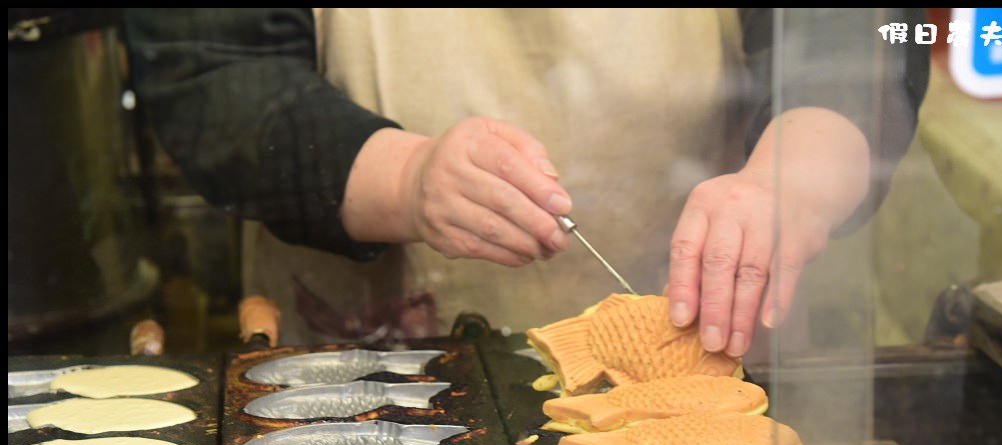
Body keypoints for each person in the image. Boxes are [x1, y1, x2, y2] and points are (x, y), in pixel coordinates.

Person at [123, 8, 928, 353]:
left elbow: (867, 28)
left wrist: (788, 185)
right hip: (386, 383)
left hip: (717, 343)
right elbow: (210, 69)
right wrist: (406, 178)